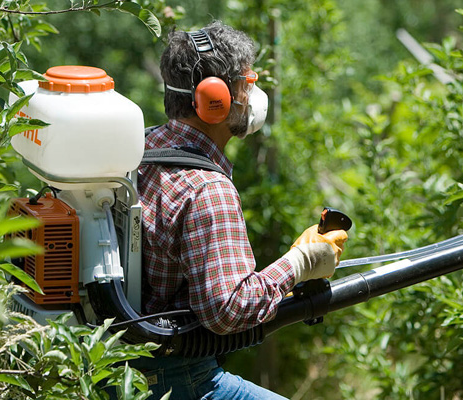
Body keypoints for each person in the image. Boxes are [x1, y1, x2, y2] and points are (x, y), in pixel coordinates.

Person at [132, 21, 348, 399]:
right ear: (215, 98)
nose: (253, 93)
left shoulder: (141, 147)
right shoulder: (206, 189)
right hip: (180, 379)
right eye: (247, 82)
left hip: (120, 366)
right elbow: (228, 309)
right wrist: (300, 263)